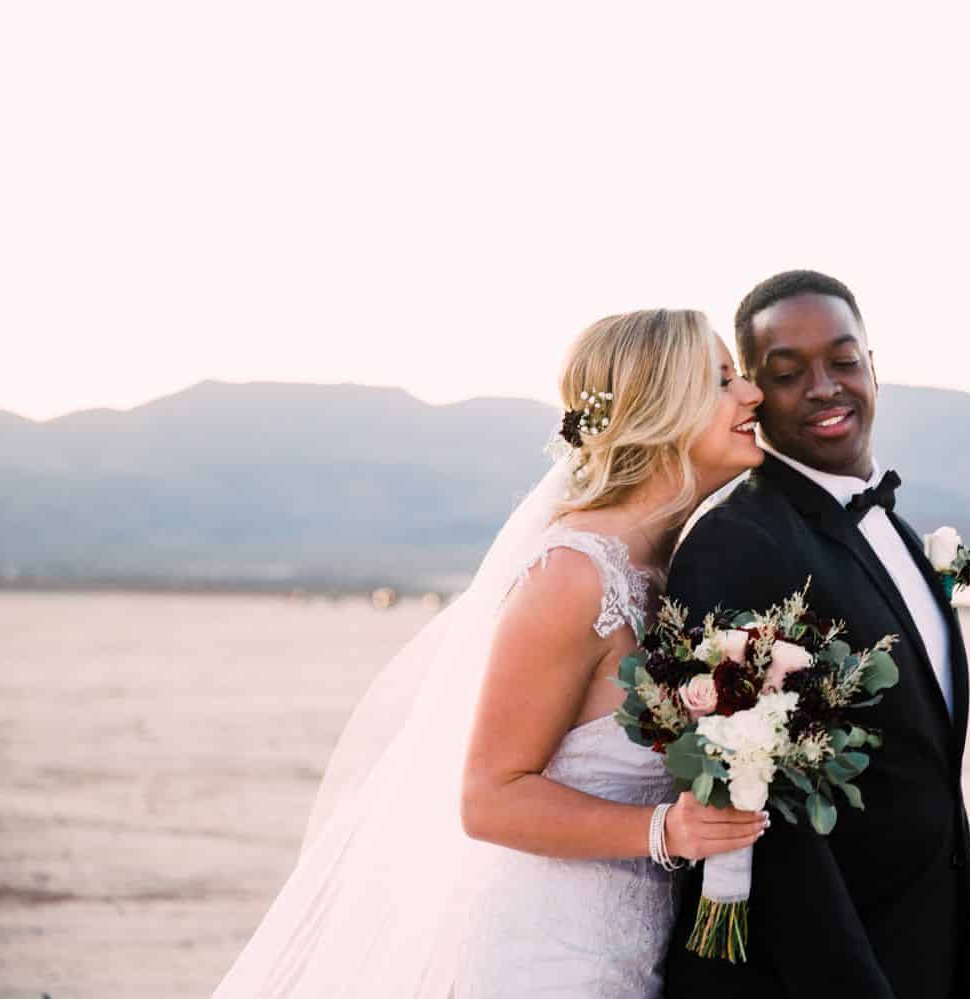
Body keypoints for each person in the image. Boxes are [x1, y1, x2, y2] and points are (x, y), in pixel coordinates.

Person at [211, 309, 767, 997]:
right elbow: (488, 798)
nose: (752, 394)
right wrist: (667, 830)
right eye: (720, 381)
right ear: (659, 409)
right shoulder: (574, 575)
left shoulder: (667, 572)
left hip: (629, 952)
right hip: (543, 959)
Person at [661, 271, 970, 999]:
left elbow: (935, 784)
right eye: (789, 373)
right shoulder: (736, 543)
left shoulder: (907, 539)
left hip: (927, 960)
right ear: (753, 395)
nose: (824, 387)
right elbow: (770, 820)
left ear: (874, 367)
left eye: (844, 361)